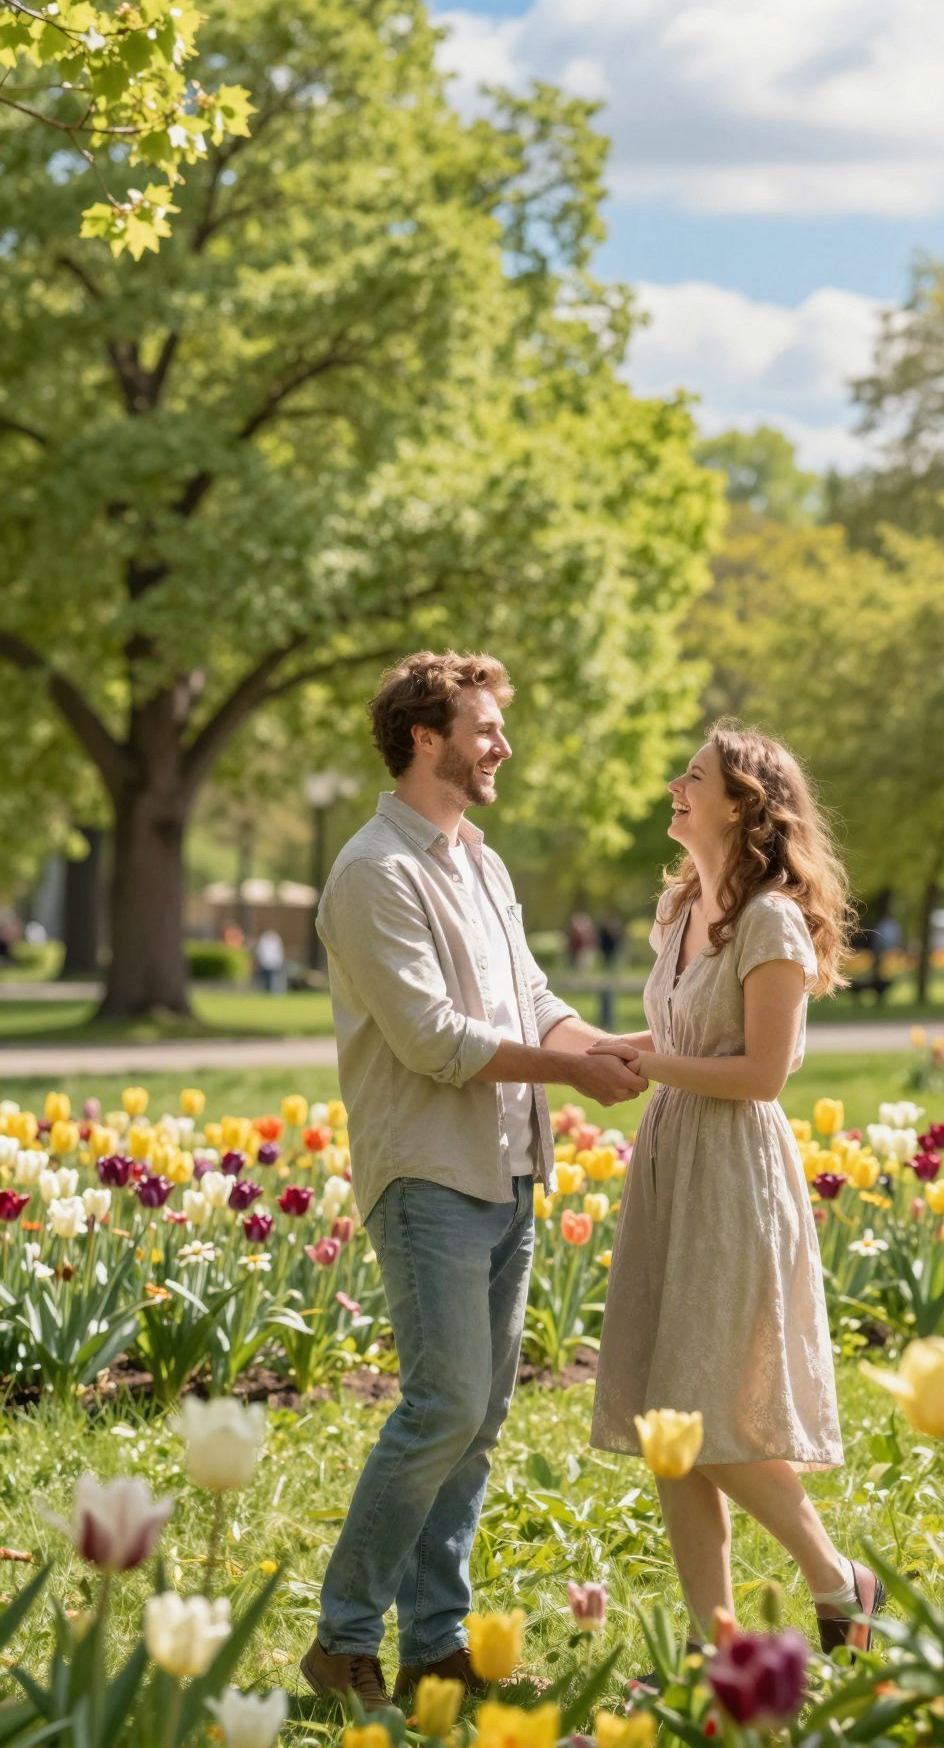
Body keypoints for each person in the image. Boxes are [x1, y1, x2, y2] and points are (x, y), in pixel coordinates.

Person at [300, 651, 647, 1712]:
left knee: (478, 1417)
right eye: (484, 728)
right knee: (442, 1407)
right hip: (430, 1173)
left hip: (511, 1167)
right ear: (425, 738)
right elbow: (433, 1038)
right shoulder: (374, 871)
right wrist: (573, 1073)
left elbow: (530, 997)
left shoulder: (478, 860)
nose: (503, 745)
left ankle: (435, 1646)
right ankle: (342, 1642)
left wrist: (612, 1047)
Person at [589, 723, 885, 1655]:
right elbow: (682, 1036)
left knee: (706, 1416)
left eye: (695, 775)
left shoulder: (770, 921)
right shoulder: (680, 908)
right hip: (671, 1157)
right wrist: (611, 1054)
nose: (675, 786)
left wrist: (652, 1065)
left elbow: (761, 1073)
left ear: (742, 805)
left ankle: (838, 1581)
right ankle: (713, 1648)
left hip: (731, 1171)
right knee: (669, 1425)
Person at [253, 926, 285, 993]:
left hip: (273, 963)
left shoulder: (273, 940)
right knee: (267, 979)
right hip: (267, 963)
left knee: (273, 979)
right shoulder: (265, 940)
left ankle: (273, 991)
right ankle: (269, 990)